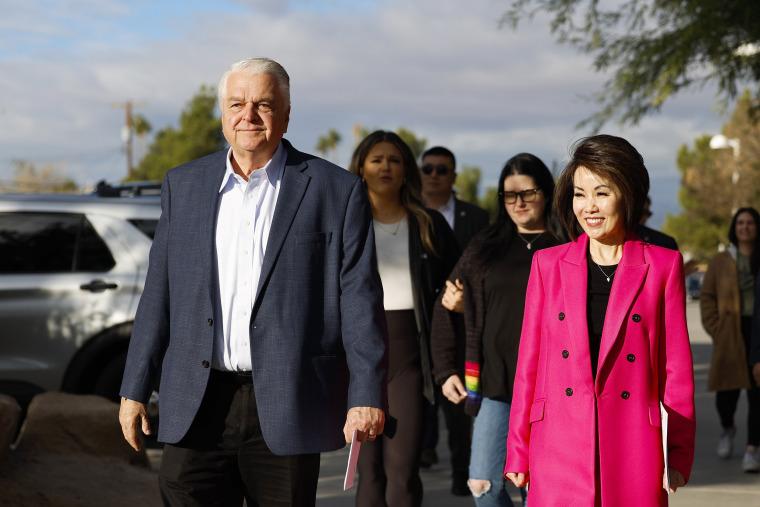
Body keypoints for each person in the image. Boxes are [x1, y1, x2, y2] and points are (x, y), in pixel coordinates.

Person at [118, 58, 388, 506]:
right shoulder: (182, 185)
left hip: (287, 401)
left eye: (263, 104)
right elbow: (158, 296)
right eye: (237, 103)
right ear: (223, 113)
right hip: (197, 401)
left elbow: (359, 299)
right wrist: (133, 389)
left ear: (285, 113)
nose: (249, 115)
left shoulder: (335, 190)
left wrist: (365, 393)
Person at [504, 134, 696, 506]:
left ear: (628, 193)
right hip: (557, 443)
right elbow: (529, 365)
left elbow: (676, 369)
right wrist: (518, 447)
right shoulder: (548, 265)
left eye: (601, 193)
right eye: (579, 194)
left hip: (635, 443)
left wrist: (678, 452)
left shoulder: (662, 265)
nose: (589, 207)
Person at [431, 153, 565, 506]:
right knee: (483, 486)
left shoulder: (568, 245)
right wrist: (445, 370)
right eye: (509, 195)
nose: (518, 202)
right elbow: (446, 304)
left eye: (528, 192)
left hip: (554, 389)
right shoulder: (484, 246)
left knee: (542, 490)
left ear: (547, 193)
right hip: (495, 384)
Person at [348, 131, 460, 506]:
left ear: (406, 170)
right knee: (368, 470)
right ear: (361, 167)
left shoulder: (427, 223)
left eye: (394, 160)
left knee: (402, 470)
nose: (385, 167)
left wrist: (455, 299)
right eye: (377, 159)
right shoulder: (345, 222)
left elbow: (457, 278)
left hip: (410, 357)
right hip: (357, 358)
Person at [419, 145, 489, 495]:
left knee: (458, 401)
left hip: (460, 321)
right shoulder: (408, 214)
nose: (433, 174)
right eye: (427, 168)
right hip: (417, 322)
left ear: (454, 176)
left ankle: (462, 470)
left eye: (441, 169)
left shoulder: (475, 218)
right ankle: (422, 451)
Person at [701, 207, 760, 472]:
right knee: (726, 395)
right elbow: (707, 297)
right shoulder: (721, 260)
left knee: (757, 395)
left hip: (757, 331)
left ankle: (752, 448)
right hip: (730, 332)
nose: (745, 227)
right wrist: (716, 327)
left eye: (750, 223)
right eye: (741, 223)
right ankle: (728, 428)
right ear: (734, 228)